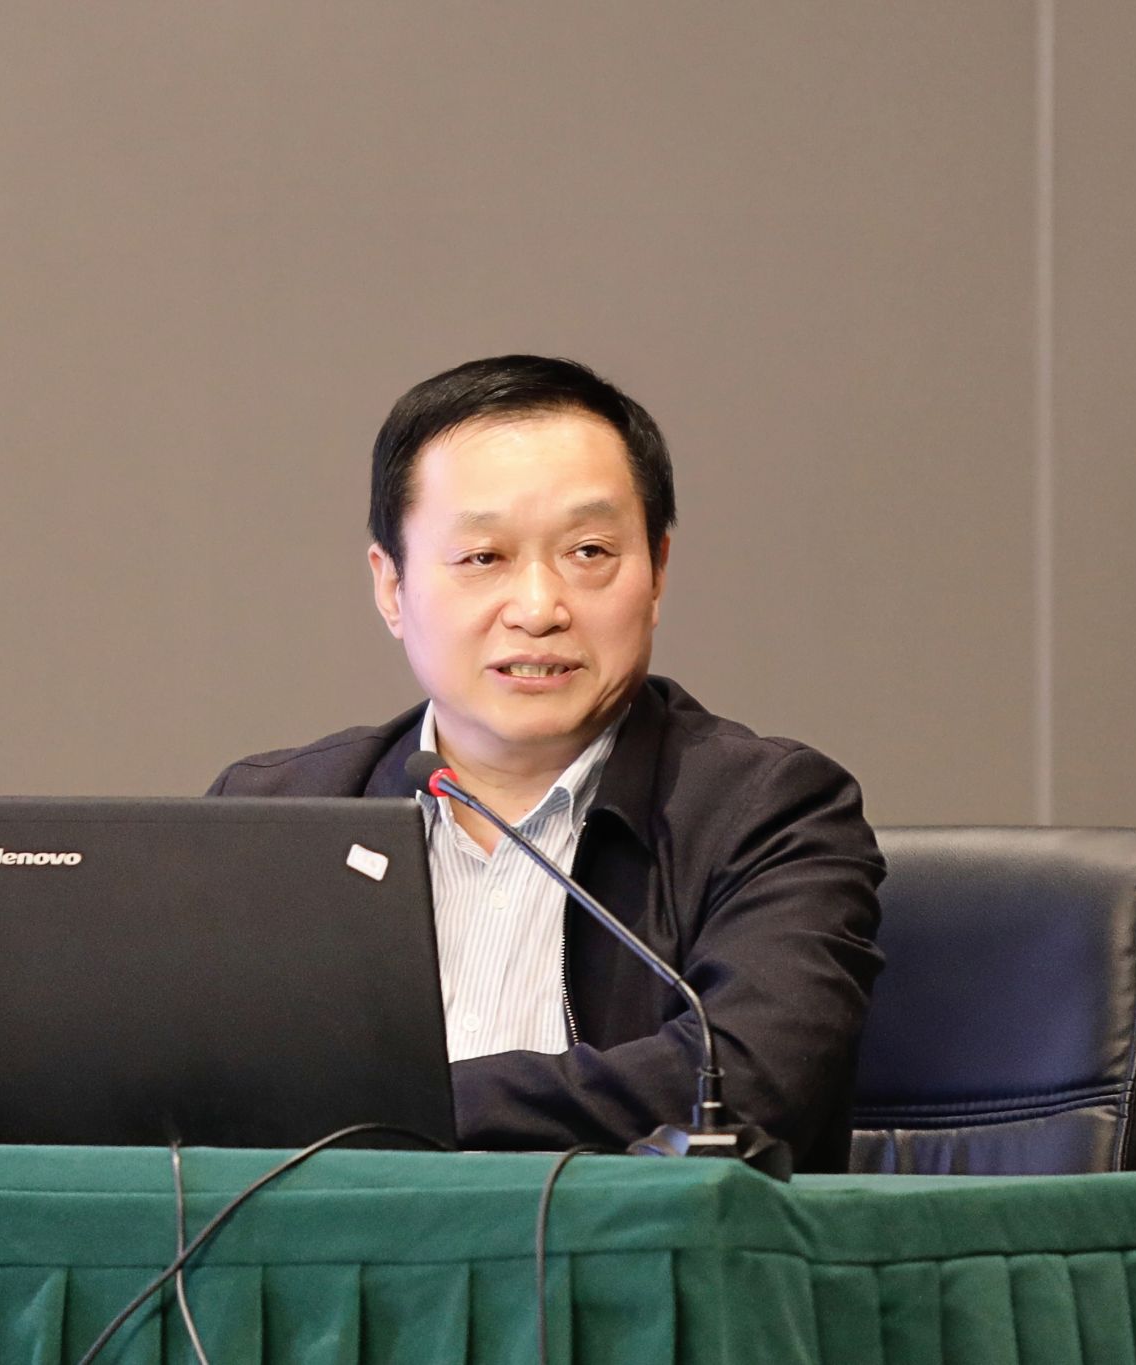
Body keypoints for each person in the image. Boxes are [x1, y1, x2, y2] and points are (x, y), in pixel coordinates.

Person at [208, 354, 884, 1171]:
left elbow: (741, 1083)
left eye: (589, 551)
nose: (538, 609)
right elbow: (184, 1092)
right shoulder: (278, 812)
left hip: (625, 1254)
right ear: (391, 586)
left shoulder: (770, 812)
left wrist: (379, 1106)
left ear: (657, 574)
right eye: (482, 557)